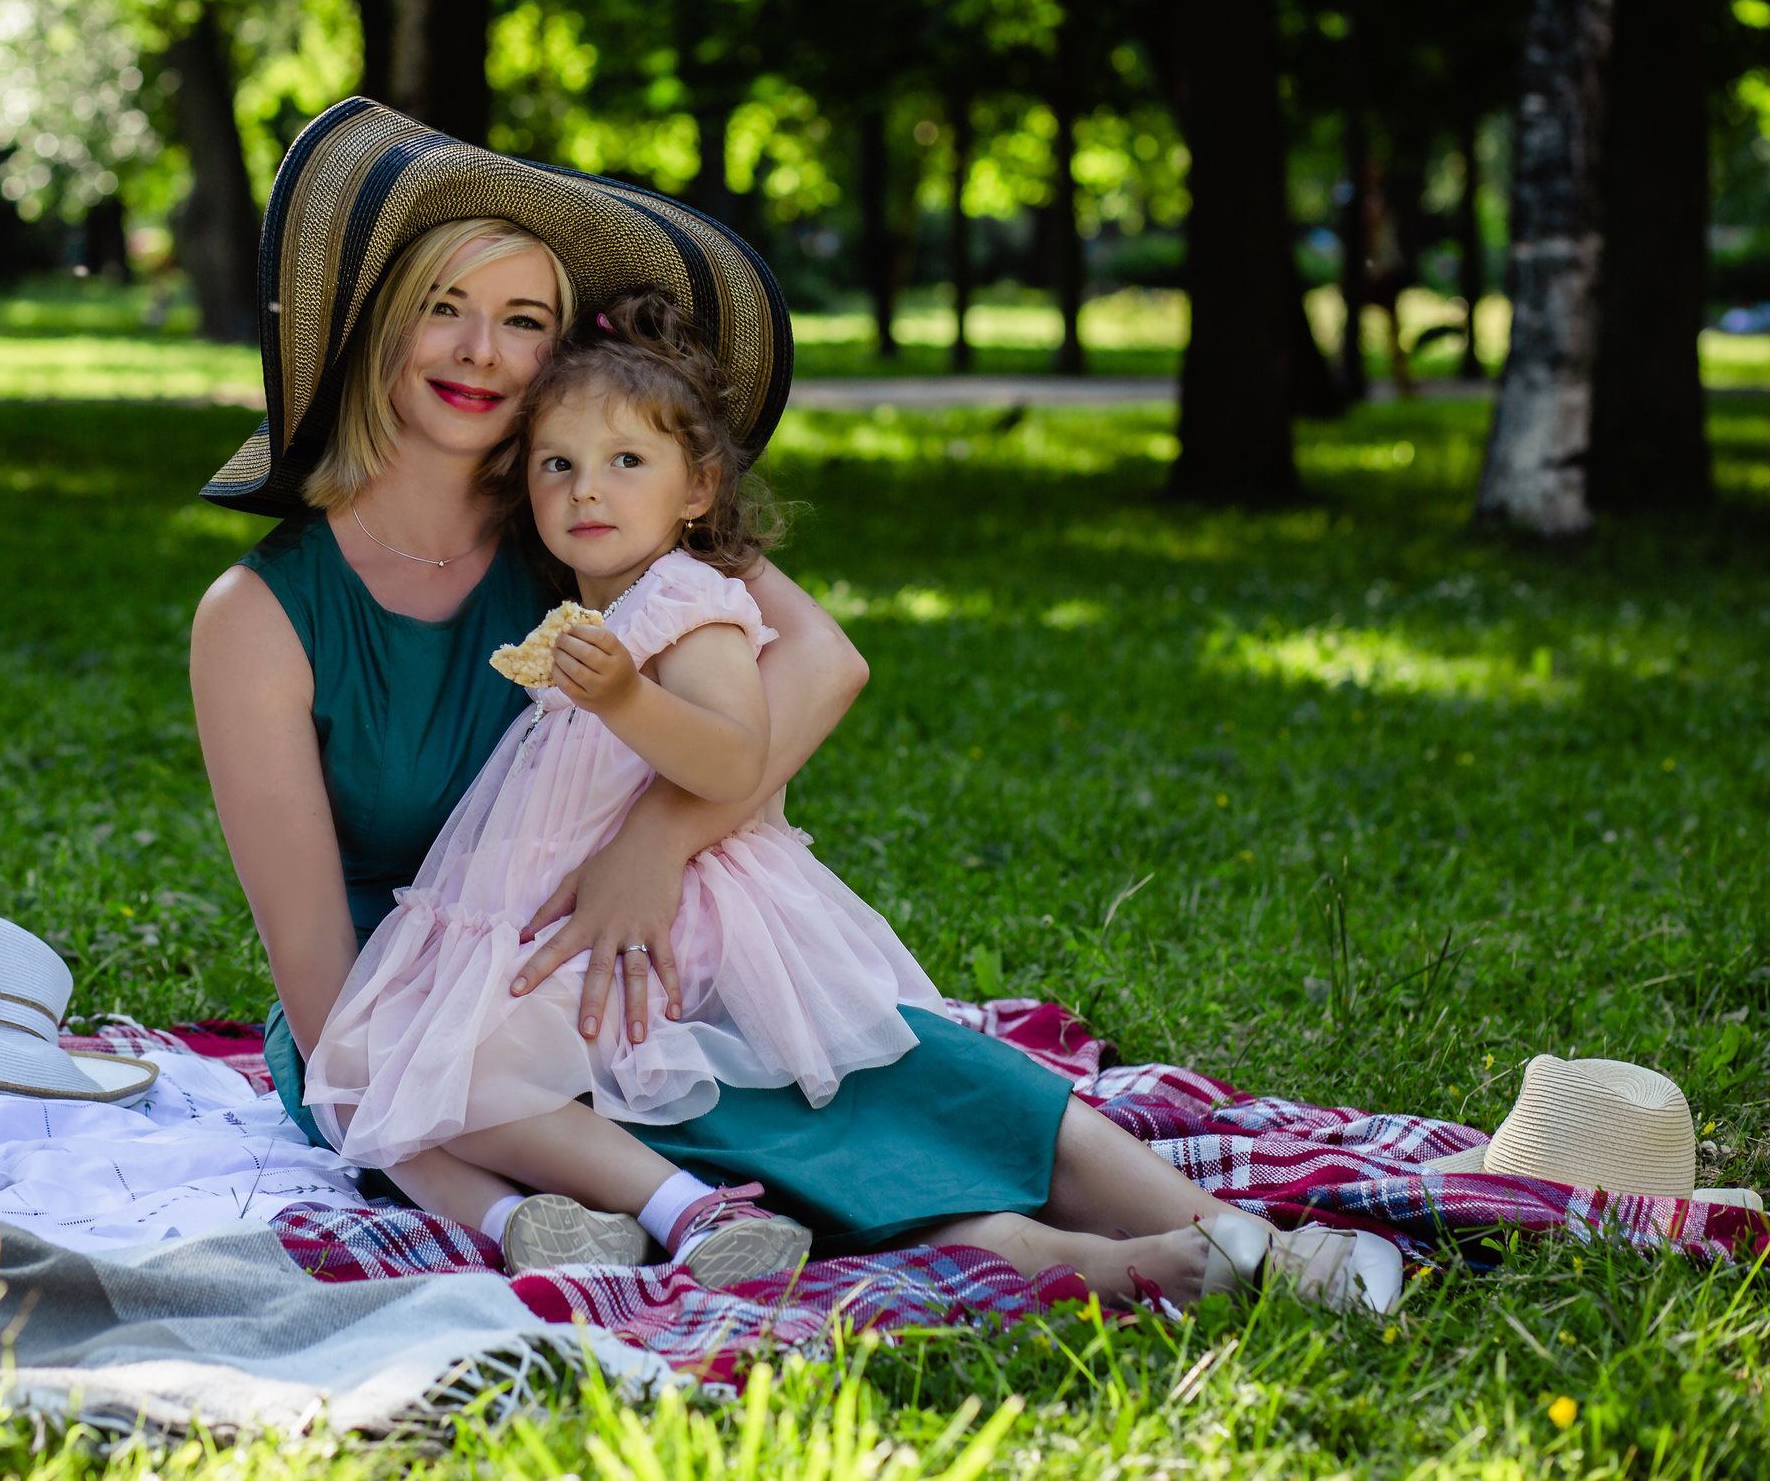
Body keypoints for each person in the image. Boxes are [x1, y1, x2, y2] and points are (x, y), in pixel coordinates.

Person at [191, 98, 1400, 1313]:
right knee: (721, 1119)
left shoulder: (588, 516)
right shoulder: (259, 617)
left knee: (876, 1056)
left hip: (644, 926)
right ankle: (1090, 1268)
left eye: (524, 321)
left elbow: (822, 662)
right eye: (441, 310)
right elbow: (326, 997)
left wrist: (652, 849)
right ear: (375, 329)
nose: (480, 353)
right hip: (426, 1010)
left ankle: (1242, 1237)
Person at [304, 290, 952, 1286]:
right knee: (368, 1068)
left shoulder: (690, 601)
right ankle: (536, 1220)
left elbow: (735, 758)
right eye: (557, 466)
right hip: (563, 919)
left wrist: (621, 699)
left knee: (439, 1065)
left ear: (696, 491)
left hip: (663, 924)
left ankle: (684, 1209)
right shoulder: (598, 610)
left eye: (625, 464)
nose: (585, 492)